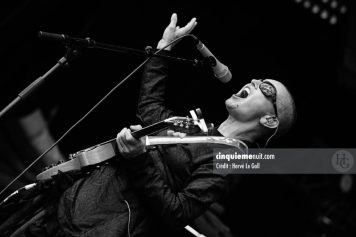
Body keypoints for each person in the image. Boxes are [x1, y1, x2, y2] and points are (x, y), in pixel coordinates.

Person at [3, 13, 295, 237]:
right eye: (256, 79)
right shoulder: (196, 129)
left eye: (265, 89)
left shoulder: (231, 160)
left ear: (269, 120)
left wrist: (138, 159)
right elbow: (150, 109)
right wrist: (163, 49)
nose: (254, 82)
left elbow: (178, 212)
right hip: (67, 203)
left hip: (98, 228)